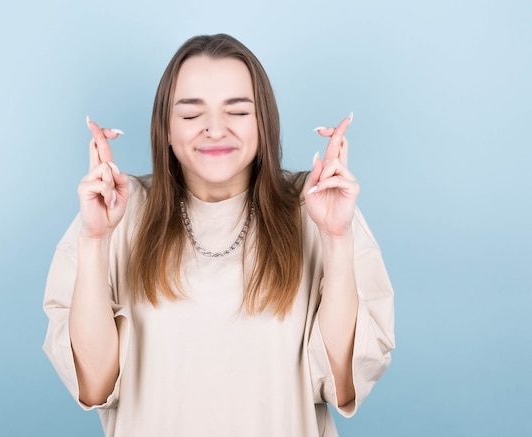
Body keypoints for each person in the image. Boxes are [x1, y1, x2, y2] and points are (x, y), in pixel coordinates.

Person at [43, 33, 395, 437]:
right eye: (192, 115)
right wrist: (94, 241)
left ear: (264, 123)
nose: (214, 129)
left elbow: (343, 383)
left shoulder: (315, 205)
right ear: (167, 130)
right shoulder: (117, 211)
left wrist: (336, 239)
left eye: (238, 112)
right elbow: (93, 385)